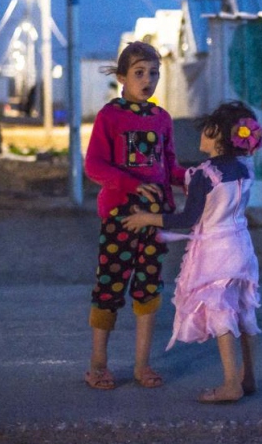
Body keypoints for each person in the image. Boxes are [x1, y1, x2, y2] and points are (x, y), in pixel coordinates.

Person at [122, 100, 262, 404]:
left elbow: (188, 219)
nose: (200, 134)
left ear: (215, 133)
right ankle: (248, 376)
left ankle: (230, 383)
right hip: (241, 244)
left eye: (205, 129)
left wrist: (146, 218)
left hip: (215, 250)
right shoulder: (243, 168)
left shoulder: (206, 173)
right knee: (243, 309)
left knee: (220, 311)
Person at [83, 41, 186, 390]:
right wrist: (129, 184)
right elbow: (94, 164)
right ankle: (98, 364)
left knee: (149, 288)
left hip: (156, 218)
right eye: (139, 72)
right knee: (110, 286)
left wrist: (195, 179)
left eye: (154, 73)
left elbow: (169, 165)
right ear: (123, 77)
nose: (148, 79)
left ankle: (143, 364)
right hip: (120, 216)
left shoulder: (162, 119)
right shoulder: (109, 116)